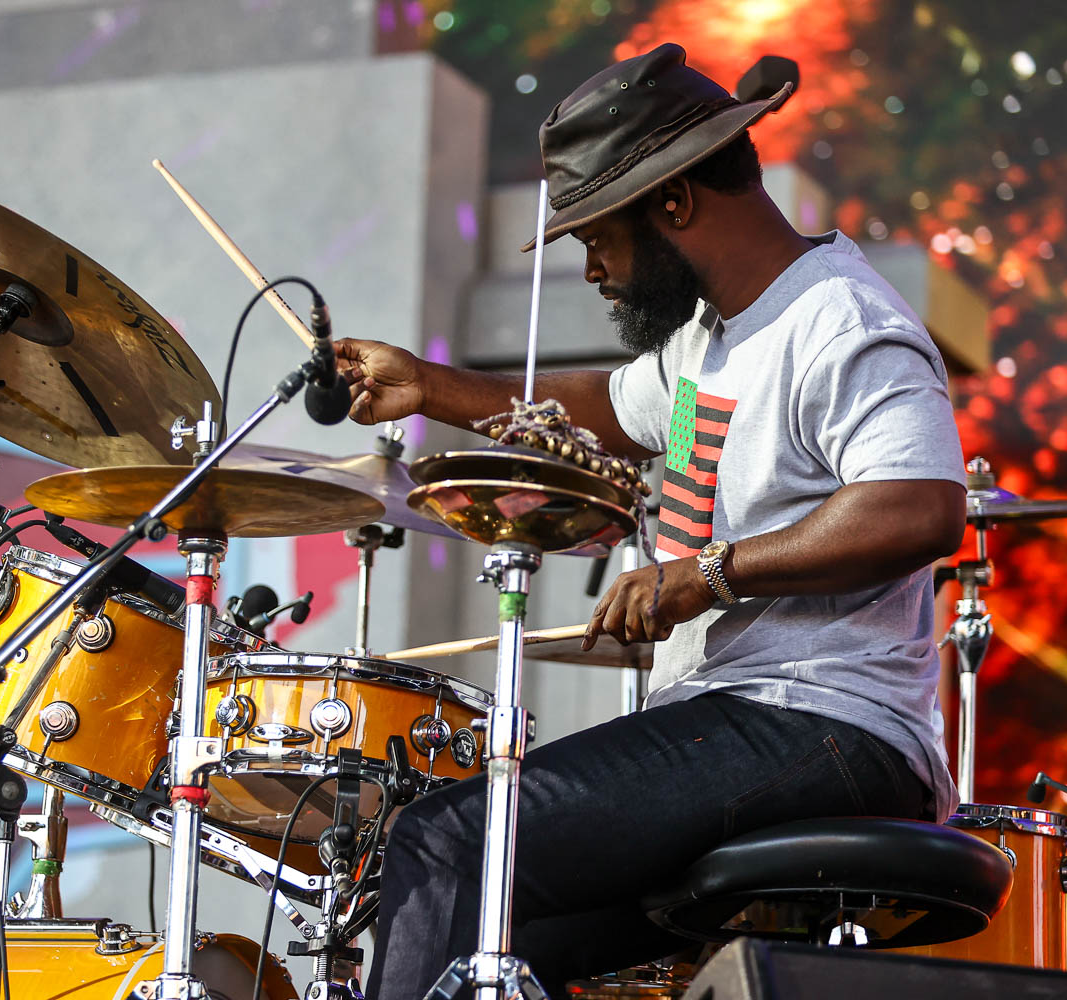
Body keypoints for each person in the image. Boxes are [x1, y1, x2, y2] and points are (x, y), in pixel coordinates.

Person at [340, 43, 968, 999]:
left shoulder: (838, 318)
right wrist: (428, 386)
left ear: (674, 204)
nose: (592, 269)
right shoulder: (713, 334)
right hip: (750, 723)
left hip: (829, 725)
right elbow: (605, 405)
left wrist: (701, 574)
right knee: (507, 944)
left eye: (598, 236)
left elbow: (921, 505)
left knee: (447, 842)